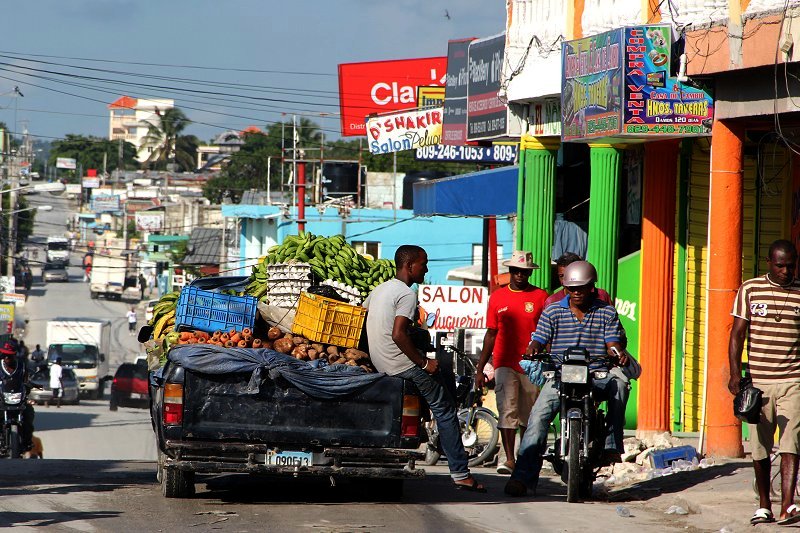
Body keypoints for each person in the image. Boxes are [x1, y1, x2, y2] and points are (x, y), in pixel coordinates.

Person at [364, 245, 485, 492]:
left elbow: (370, 319)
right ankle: (460, 472)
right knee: (446, 408)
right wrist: (423, 362)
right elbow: (398, 334)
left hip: (380, 361)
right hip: (401, 364)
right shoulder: (407, 294)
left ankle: (441, 440)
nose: (427, 268)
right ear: (410, 266)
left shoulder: (380, 290)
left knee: (442, 377)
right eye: (424, 263)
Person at [505, 260, 628, 497]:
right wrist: (533, 347)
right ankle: (522, 478)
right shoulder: (552, 310)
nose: (577, 292)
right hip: (561, 373)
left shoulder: (606, 311)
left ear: (592, 286)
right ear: (565, 288)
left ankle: (613, 442)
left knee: (621, 385)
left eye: (582, 287)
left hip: (596, 372)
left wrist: (617, 353)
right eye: (572, 288)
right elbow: (539, 337)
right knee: (537, 418)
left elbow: (612, 342)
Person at [728, 239, 800, 525]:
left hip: (793, 380)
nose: (786, 271)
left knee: (791, 442)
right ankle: (764, 505)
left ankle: (787, 506)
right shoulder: (750, 289)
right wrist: (736, 374)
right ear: (769, 262)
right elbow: (737, 335)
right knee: (759, 447)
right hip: (759, 383)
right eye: (780, 265)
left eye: (791, 265)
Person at [476, 250, 548, 475]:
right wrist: (480, 368)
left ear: (529, 273)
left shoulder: (541, 296)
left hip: (532, 364)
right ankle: (509, 459)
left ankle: (524, 456)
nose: (520, 275)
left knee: (528, 414)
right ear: (511, 271)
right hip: (504, 362)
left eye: (524, 272)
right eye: (516, 271)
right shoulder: (497, 297)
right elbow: (490, 333)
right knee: (507, 409)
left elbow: (547, 331)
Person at [0, 340, 34, 451]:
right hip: (2, 400)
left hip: (18, 399)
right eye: (4, 355)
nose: (6, 358)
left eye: (9, 356)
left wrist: (29, 385)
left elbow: (27, 380)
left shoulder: (22, 367)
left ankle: (27, 441)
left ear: (14, 355)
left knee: (29, 413)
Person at [544, 252, 612, 308]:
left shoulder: (602, 295)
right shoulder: (552, 301)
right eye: (561, 276)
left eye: (569, 276)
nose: (564, 281)